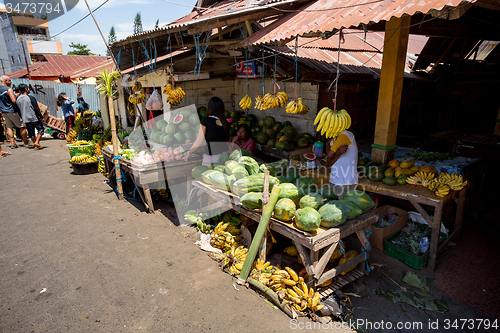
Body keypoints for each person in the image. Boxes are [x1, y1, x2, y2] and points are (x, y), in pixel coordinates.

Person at [184, 97, 230, 165]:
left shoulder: (206, 121)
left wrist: (189, 153)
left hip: (211, 157)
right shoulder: (226, 123)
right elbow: (227, 142)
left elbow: (199, 141)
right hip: (224, 156)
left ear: (209, 108)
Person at [325, 129, 358, 199]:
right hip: (334, 180)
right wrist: (336, 153)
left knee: (343, 207)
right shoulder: (334, 140)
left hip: (344, 183)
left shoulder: (345, 135)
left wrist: (334, 152)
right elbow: (329, 162)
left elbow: (330, 155)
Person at [0, 75, 29, 148]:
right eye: (9, 80)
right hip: (12, 111)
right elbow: (14, 100)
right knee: (22, 127)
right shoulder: (9, 89)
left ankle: (13, 143)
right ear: (6, 81)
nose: (11, 82)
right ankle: (26, 142)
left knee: (9, 127)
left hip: (4, 112)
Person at [16, 84, 44, 150]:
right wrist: (41, 117)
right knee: (40, 129)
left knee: (31, 131)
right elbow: (36, 108)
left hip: (25, 118)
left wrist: (22, 117)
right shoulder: (31, 98)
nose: (29, 90)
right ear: (26, 89)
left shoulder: (18, 99)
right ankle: (37, 142)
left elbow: (18, 110)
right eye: (28, 88)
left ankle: (35, 145)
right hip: (33, 117)